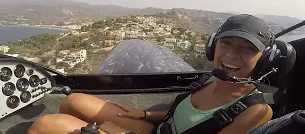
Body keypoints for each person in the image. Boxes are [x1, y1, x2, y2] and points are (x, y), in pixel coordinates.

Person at [27, 14, 275, 134]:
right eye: (226, 44)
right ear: (213, 46)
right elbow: (180, 110)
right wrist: (144, 113)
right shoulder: (214, 77)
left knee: (46, 125)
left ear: (264, 58)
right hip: (157, 129)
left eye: (248, 49)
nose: (232, 55)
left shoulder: (256, 111)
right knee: (73, 100)